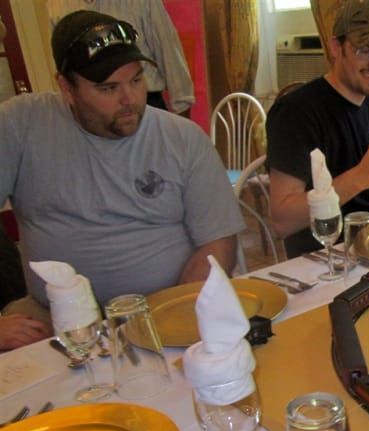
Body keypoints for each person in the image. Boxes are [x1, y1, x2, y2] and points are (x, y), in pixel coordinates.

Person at [0, 10, 244, 346]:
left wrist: (174, 312)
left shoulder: (183, 138)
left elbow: (218, 242)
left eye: (136, 80)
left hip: (161, 308)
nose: (129, 100)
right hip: (53, 318)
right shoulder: (20, 125)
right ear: (66, 87)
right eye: (108, 87)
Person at [266, 0, 369, 258]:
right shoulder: (295, 112)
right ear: (336, 47)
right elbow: (283, 220)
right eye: (365, 50)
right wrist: (361, 176)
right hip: (323, 262)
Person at [48, 0, 195, 116]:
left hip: (146, 101)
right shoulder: (56, 6)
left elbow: (167, 49)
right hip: (94, 108)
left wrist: (182, 105)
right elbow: (67, 66)